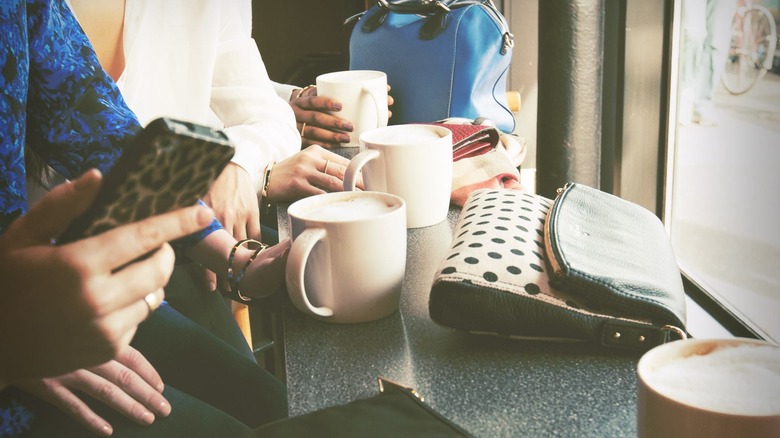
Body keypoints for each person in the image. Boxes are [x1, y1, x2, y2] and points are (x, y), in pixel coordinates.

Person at [1, 1, 287, 436]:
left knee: (270, 406)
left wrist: (233, 256)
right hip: (18, 337)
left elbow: (85, 109)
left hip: (35, 303)